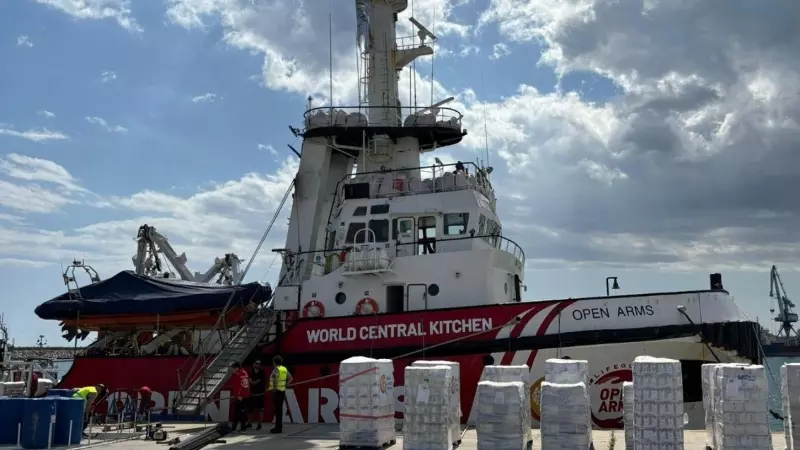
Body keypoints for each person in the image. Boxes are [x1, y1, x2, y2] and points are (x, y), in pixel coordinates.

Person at [267, 355, 292, 434]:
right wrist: (285, 384)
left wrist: (274, 388)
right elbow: (291, 378)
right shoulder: (284, 369)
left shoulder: (276, 369)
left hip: (277, 391)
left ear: (274, 362)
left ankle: (277, 428)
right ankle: (279, 427)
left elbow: (275, 378)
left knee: (277, 410)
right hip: (282, 391)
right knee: (279, 410)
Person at [230, 362, 251, 432]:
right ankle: (243, 428)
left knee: (236, 413)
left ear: (237, 368)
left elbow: (237, 387)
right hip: (246, 396)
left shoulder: (237, 374)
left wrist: (238, 395)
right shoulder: (245, 373)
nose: (232, 370)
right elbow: (247, 386)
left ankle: (233, 428)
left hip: (240, 396)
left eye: (232, 368)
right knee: (242, 412)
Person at [249, 360, 267, 430]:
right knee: (250, 410)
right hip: (252, 394)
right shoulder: (250, 372)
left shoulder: (262, 372)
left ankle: (259, 424)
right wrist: (253, 382)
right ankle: (249, 423)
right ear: (253, 364)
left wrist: (253, 382)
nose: (258, 365)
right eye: (256, 363)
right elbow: (250, 381)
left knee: (261, 410)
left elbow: (255, 382)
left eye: (259, 364)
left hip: (260, 394)